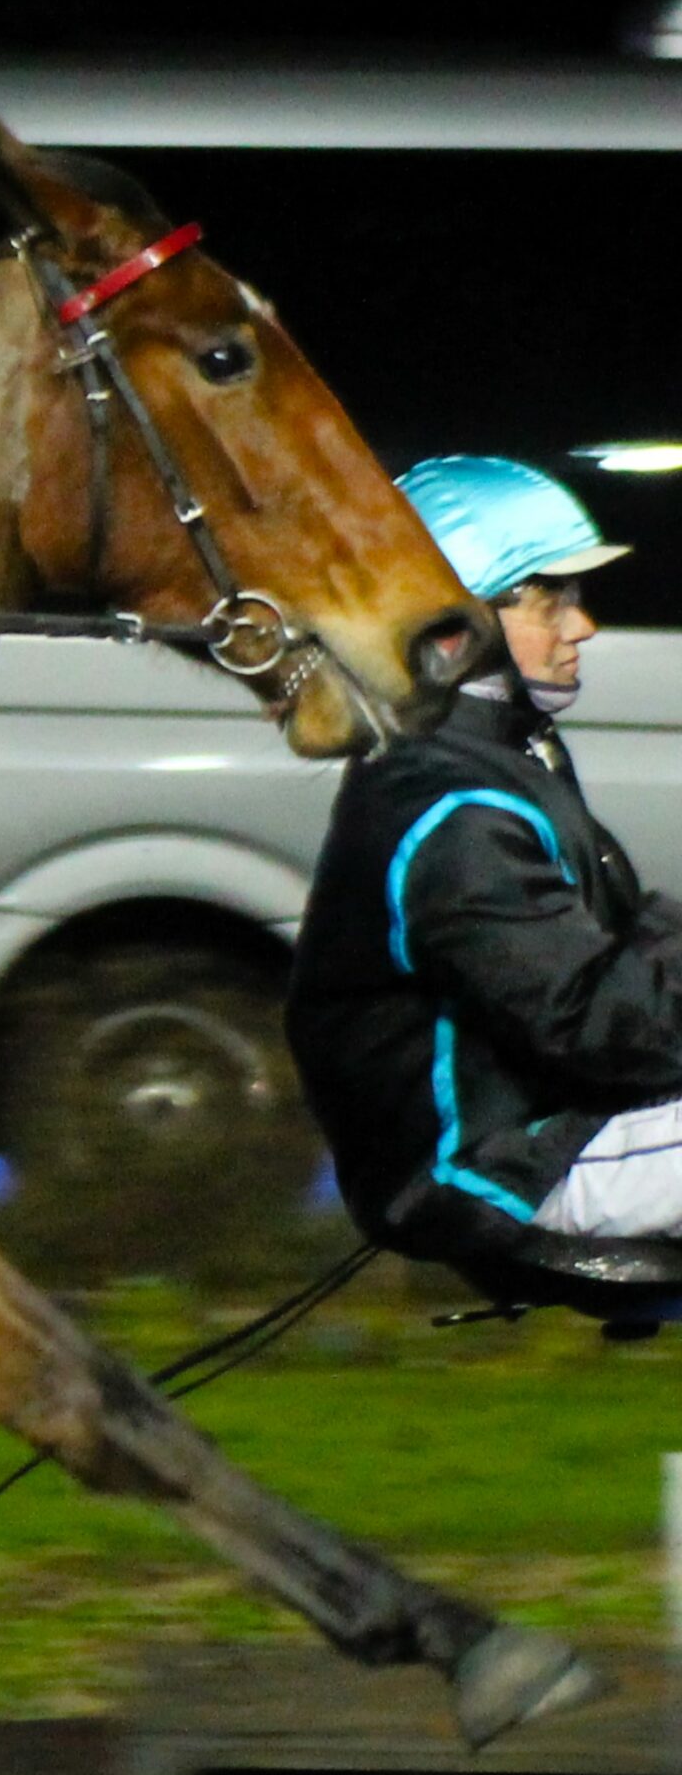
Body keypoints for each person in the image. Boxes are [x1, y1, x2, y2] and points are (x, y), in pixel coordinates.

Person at [286, 455, 676, 1263]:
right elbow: (595, 1024)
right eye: (550, 601)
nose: (583, 626)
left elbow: (628, 935)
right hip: (506, 1168)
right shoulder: (450, 807)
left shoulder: (504, 762)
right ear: (456, 628)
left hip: (562, 1130)